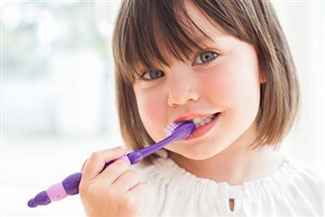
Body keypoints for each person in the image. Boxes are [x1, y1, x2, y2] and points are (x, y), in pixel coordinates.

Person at [79, 0, 323, 216]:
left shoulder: (314, 198)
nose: (180, 96)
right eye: (153, 73)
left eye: (206, 57)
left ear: (264, 60)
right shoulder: (125, 203)